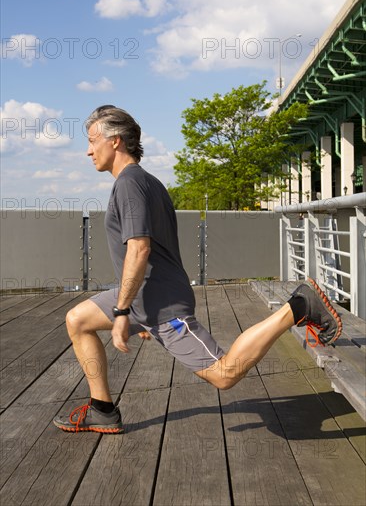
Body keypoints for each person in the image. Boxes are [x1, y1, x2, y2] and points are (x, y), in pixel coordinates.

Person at [53, 105, 342, 433]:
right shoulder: (144, 182)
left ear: (115, 141)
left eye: (93, 141)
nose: (88, 150)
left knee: (224, 375)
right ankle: (102, 409)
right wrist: (133, 309)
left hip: (162, 304)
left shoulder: (130, 183)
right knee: (78, 320)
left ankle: (297, 307)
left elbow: (139, 248)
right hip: (143, 298)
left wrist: (123, 312)